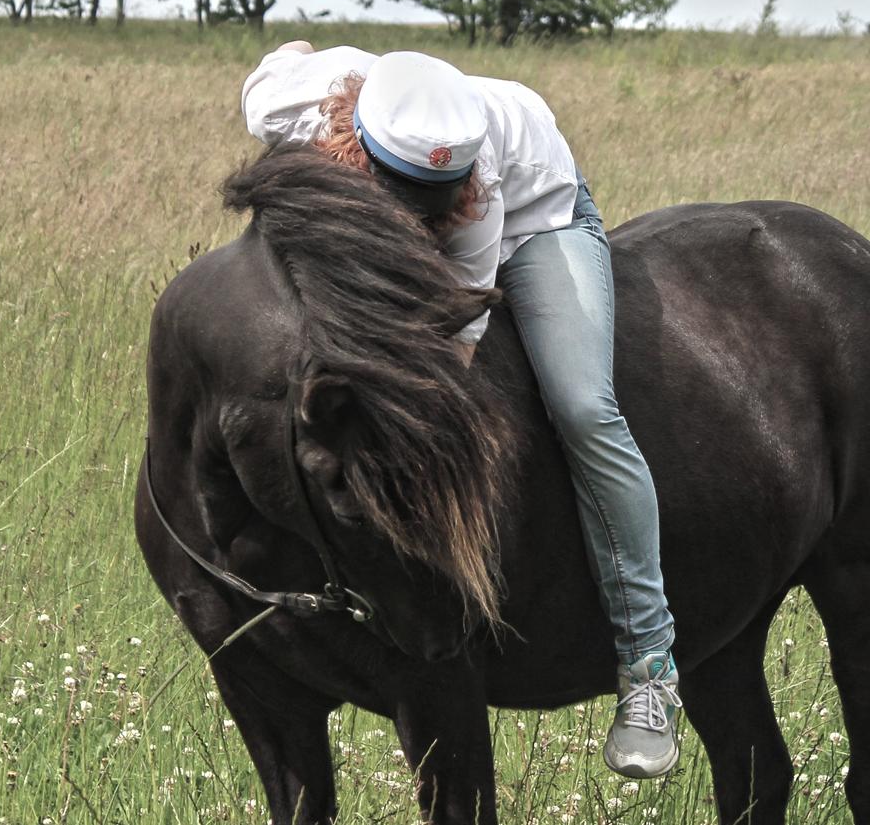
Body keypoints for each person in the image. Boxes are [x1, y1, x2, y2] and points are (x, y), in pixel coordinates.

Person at [241, 41, 681, 778]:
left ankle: (649, 664)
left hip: (542, 219)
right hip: (380, 182)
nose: (422, 218)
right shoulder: (292, 106)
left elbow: (452, 347)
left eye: (431, 204)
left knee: (583, 407)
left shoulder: (476, 201)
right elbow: (272, 71)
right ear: (354, 149)